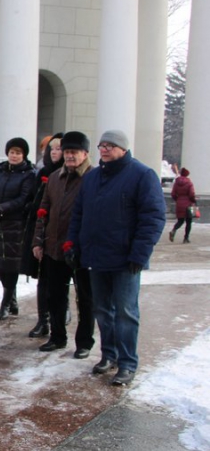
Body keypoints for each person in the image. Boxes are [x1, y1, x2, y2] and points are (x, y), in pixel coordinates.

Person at [67, 130, 165, 386]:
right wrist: (73, 244)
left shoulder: (142, 175)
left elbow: (153, 218)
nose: (104, 149)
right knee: (102, 310)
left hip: (126, 260)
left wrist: (140, 253)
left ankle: (127, 362)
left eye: (110, 145)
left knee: (125, 312)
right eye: (102, 145)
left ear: (123, 149)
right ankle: (108, 354)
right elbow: (79, 214)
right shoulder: (92, 178)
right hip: (96, 257)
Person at [33, 131, 95, 357]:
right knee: (55, 295)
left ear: (85, 153)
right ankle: (57, 336)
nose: (69, 156)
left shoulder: (93, 178)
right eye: (67, 152)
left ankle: (84, 343)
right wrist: (38, 240)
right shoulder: (55, 178)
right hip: (54, 247)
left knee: (85, 298)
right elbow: (43, 210)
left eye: (74, 152)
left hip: (82, 250)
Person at [0, 138, 36, 320]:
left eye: (18, 153)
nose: (14, 156)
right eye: (12, 152)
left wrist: (3, 208)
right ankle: (12, 302)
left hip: (15, 225)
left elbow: (24, 198)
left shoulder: (28, 174)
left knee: (11, 265)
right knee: (0, 264)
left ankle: (6, 303)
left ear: (24, 155)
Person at [21, 133, 65, 338]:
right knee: (43, 278)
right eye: (51, 149)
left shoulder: (66, 174)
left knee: (59, 280)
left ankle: (59, 317)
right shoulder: (43, 173)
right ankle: (42, 320)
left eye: (59, 149)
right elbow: (34, 199)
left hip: (60, 233)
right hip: (41, 230)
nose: (54, 152)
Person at [169, 168, 196, 244]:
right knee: (189, 222)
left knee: (180, 221)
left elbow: (173, 194)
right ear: (187, 174)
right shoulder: (189, 183)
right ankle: (186, 238)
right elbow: (191, 194)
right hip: (188, 204)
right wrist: (193, 200)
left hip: (179, 203)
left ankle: (173, 230)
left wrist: (178, 200)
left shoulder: (176, 183)